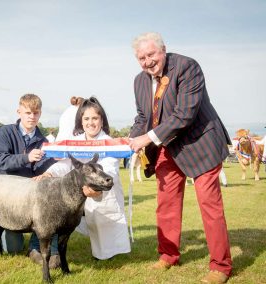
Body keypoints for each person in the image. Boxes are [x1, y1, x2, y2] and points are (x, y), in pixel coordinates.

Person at [128, 32, 232, 283]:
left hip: (200, 143)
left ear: (163, 50)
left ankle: (220, 266)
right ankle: (168, 255)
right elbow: (143, 117)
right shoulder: (139, 81)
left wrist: (146, 138)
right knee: (166, 205)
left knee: (210, 206)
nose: (147, 61)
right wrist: (132, 139)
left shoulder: (187, 67)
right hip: (165, 147)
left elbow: (184, 115)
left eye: (151, 54)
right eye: (141, 58)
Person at [36, 97, 131, 260]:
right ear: (81, 120)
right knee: (56, 214)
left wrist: (97, 190)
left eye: (95, 118)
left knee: (104, 253)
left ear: (102, 120)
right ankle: (54, 251)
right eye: (86, 118)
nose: (91, 122)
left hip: (100, 195)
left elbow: (110, 170)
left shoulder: (109, 143)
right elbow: (66, 164)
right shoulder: (74, 143)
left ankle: (104, 251)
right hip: (78, 195)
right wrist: (49, 173)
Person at [0, 94, 59, 267]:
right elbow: (0, 161)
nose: (32, 116)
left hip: (31, 195)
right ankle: (0, 227)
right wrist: (26, 158)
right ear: (19, 111)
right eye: (28, 112)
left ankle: (36, 247)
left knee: (50, 210)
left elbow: (41, 170)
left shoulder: (44, 141)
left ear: (40, 114)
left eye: (36, 113)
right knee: (13, 249)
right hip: (8, 194)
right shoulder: (5, 132)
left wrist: (54, 162)